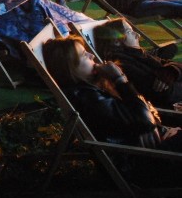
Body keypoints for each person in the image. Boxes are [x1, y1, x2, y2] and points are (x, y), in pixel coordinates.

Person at [42, 36, 181, 153]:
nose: (91, 55)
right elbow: (145, 121)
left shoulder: (94, 90)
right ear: (71, 69)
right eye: (84, 55)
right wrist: (120, 80)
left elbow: (146, 114)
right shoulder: (89, 99)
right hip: (152, 160)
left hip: (159, 144)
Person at [92, 19, 182, 107]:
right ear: (116, 41)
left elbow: (172, 64)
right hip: (167, 112)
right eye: (130, 32)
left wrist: (172, 71)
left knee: (172, 49)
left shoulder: (140, 55)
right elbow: (166, 94)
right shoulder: (124, 65)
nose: (138, 35)